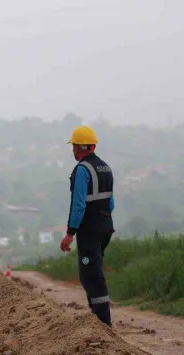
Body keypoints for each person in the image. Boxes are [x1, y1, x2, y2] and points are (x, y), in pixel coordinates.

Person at [59, 125, 115, 327]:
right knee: (94, 271)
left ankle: (102, 324)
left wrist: (70, 233)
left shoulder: (82, 170)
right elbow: (111, 203)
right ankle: (98, 319)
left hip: (89, 231)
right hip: (105, 227)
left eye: (73, 146)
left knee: (91, 276)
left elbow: (79, 204)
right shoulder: (105, 168)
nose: (72, 150)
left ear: (80, 147)